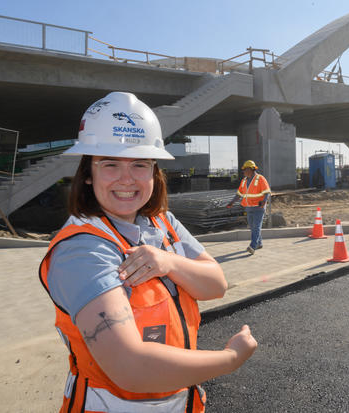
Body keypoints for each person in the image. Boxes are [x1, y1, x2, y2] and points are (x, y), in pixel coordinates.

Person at [39, 92, 257, 412]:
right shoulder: (82, 252)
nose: (127, 178)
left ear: (154, 171)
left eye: (140, 164)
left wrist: (167, 262)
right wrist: (230, 359)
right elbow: (131, 367)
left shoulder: (162, 223)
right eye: (111, 164)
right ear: (88, 173)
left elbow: (215, 285)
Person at [226, 160, 271, 255]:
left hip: (258, 208)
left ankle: (252, 246)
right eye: (243, 170)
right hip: (249, 208)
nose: (244, 172)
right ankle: (259, 243)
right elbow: (239, 194)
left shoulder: (260, 178)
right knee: (252, 227)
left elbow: (267, 191)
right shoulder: (244, 181)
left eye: (245, 170)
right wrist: (232, 202)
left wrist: (264, 201)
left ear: (251, 169)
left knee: (256, 227)